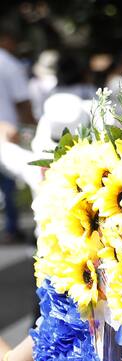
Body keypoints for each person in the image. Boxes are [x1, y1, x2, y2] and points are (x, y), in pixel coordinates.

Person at [0, 29, 35, 244]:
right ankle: (12, 228)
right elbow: (22, 101)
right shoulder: (8, 64)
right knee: (10, 184)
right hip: (7, 133)